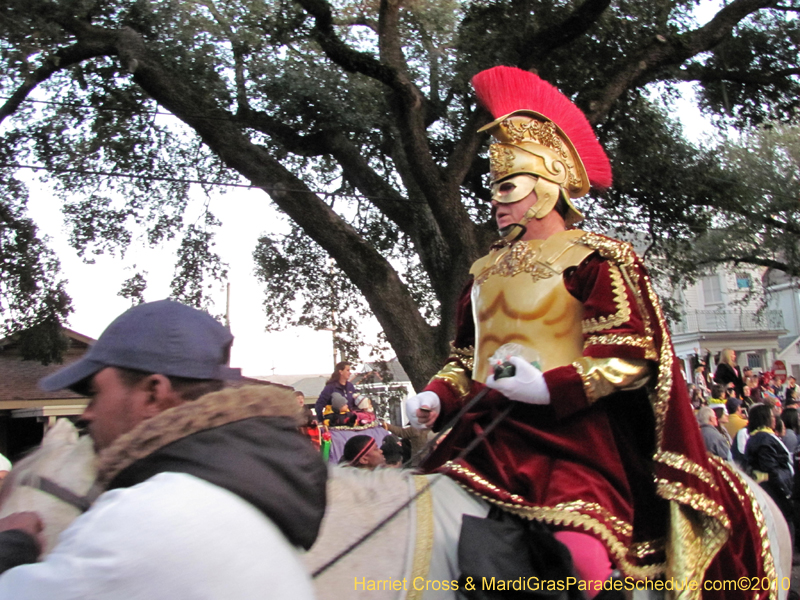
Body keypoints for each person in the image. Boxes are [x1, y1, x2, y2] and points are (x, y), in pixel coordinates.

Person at [405, 66, 772, 594]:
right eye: (493, 187)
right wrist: (436, 396)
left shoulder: (597, 260)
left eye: (507, 185)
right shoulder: (483, 271)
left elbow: (630, 357)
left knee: (584, 555)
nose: (494, 198)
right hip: (483, 437)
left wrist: (547, 387)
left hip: (574, 441)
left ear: (548, 186)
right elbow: (467, 361)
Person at [0, 299, 327, 599]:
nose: (87, 413)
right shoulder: (240, 504)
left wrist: (11, 545)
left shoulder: (142, 519)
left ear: (154, 393)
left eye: (96, 392)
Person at [745, 403, 794, 537]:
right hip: (775, 491)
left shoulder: (757, 437)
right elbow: (771, 470)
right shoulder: (765, 439)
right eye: (772, 416)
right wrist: (786, 489)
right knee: (785, 525)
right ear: (764, 418)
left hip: (770, 488)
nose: (775, 420)